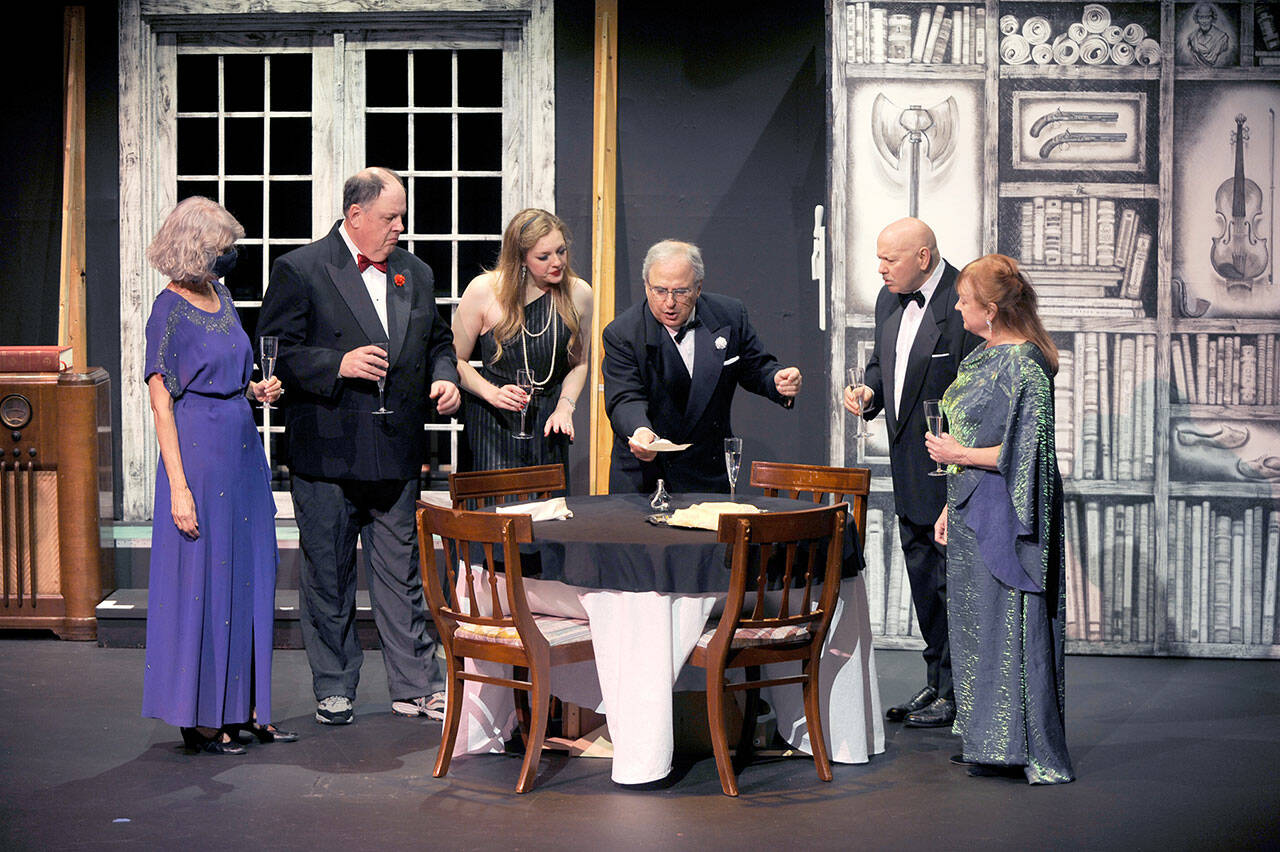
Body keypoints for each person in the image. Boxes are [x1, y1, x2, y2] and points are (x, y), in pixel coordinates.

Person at [257, 167, 461, 726]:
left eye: (402, 216)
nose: (401, 226)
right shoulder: (301, 269)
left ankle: (416, 685)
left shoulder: (415, 272)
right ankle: (334, 686)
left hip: (394, 450)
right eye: (391, 216)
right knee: (329, 573)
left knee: (403, 574)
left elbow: (439, 341)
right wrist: (336, 364)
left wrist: (444, 378)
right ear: (355, 216)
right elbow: (275, 349)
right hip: (327, 452)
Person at [141, 196, 294, 753]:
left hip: (240, 443)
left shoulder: (221, 295)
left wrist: (255, 390)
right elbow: (162, 402)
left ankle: (246, 705)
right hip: (199, 454)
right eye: (222, 248)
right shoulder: (169, 309)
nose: (230, 256)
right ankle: (201, 714)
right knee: (204, 578)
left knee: (250, 570)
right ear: (195, 247)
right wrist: (179, 488)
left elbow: (227, 371)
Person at [925, 253, 1074, 784]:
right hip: (970, 505)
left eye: (964, 300)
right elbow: (970, 440)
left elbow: (1029, 452)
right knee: (975, 624)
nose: (958, 307)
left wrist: (958, 456)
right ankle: (988, 739)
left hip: (1010, 511)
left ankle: (1022, 743)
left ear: (989, 309)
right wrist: (949, 499)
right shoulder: (980, 356)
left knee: (1011, 622)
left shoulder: (1026, 365)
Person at [844, 217, 982, 728]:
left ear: (923, 257)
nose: (880, 268)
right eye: (878, 258)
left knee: (952, 582)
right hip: (906, 467)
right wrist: (870, 393)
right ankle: (937, 681)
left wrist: (961, 466)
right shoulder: (888, 300)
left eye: (890, 259)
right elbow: (886, 364)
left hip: (950, 468)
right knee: (924, 580)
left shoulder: (960, 299)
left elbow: (972, 390)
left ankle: (960, 691)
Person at [602, 239, 802, 494]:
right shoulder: (623, 333)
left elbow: (756, 368)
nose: (669, 303)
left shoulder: (729, 315)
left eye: (681, 291)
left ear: (698, 288)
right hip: (644, 477)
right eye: (660, 291)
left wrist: (777, 380)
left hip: (706, 473)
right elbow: (625, 397)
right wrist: (640, 431)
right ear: (646, 286)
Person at [452, 209, 592, 477]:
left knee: (546, 512)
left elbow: (580, 363)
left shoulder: (579, 294)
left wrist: (565, 406)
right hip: (493, 423)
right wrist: (491, 393)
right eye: (544, 256)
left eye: (561, 251)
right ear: (521, 258)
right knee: (496, 513)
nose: (557, 262)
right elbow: (454, 360)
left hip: (547, 422)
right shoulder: (484, 290)